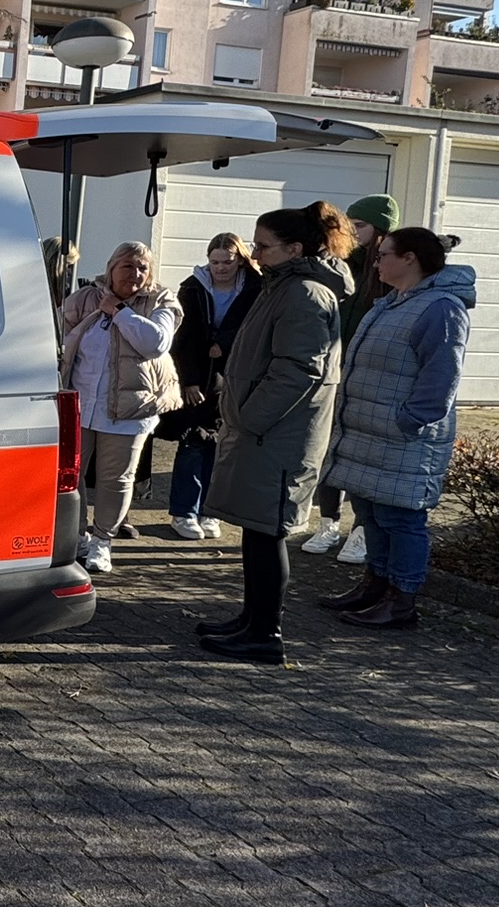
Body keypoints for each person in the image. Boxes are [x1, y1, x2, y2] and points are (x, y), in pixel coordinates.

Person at [197, 203, 355, 663]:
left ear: (295, 249)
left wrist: (250, 416)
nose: (254, 254)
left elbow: (299, 369)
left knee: (268, 532)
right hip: (266, 433)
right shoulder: (283, 286)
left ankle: (265, 633)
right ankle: (252, 620)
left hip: (278, 436)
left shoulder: (305, 294)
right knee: (257, 529)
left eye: (263, 246)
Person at [318, 229, 476, 629]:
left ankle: (401, 601)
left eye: (383, 255)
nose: (376, 262)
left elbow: (441, 376)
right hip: (370, 436)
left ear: (409, 259)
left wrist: (410, 421)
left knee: (401, 519)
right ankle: (375, 585)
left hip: (405, 439)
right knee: (371, 512)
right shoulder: (389, 303)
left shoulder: (441, 308)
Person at [57, 241, 182, 576]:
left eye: (142, 267)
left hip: (130, 409)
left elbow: (155, 343)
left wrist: (119, 312)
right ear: (111, 268)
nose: (135, 274)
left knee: (116, 479)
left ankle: (103, 541)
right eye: (128, 266)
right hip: (80, 404)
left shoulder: (160, 300)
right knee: (71, 476)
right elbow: (57, 334)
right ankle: (77, 536)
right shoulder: (86, 298)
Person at [303, 193, 399, 562]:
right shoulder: (341, 265)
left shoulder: (390, 273)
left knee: (363, 454)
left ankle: (361, 531)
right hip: (335, 370)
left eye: (361, 225)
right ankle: (328, 523)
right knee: (329, 449)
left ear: (381, 229)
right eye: (350, 224)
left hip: (372, 377)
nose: (353, 231)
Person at [159, 233, 262, 540]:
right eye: (214, 262)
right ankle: (184, 511)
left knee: (222, 446)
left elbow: (254, 328)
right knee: (193, 441)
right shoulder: (193, 287)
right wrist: (189, 380)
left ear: (240, 260)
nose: (220, 268)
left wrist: (223, 343)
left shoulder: (256, 287)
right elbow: (183, 337)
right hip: (200, 377)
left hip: (236, 375)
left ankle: (210, 511)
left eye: (227, 262)